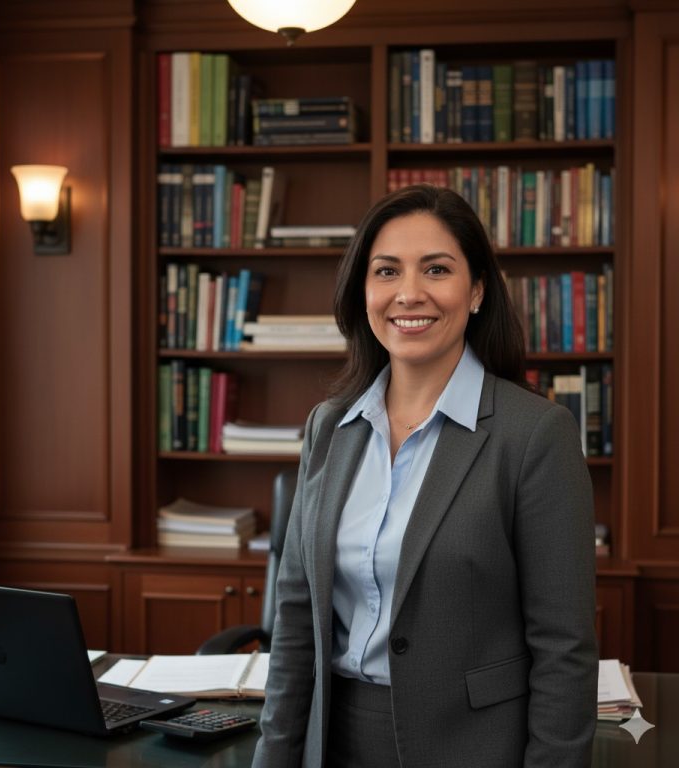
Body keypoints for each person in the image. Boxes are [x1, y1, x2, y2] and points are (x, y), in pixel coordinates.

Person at [251, 184, 598, 768]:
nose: (409, 293)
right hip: (329, 741)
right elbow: (295, 619)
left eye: (436, 269)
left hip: (472, 748)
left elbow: (564, 651)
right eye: (386, 271)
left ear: (478, 290)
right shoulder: (327, 427)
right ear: (364, 291)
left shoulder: (535, 434)